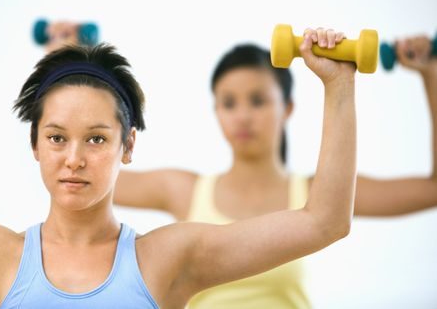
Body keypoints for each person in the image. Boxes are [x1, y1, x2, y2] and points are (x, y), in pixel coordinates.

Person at [0, 29, 357, 308]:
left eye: (96, 138)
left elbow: (324, 222)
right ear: (34, 145)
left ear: (128, 146)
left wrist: (338, 85)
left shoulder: (168, 259)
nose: (74, 157)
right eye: (56, 137)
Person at [112, 32, 437, 308]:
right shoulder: (183, 190)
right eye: (229, 103)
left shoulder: (324, 195)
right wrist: (60, 61)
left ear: (288, 107)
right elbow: (75, 174)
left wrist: (431, 72)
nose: (242, 116)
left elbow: (432, 189)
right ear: (215, 112)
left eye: (257, 100)